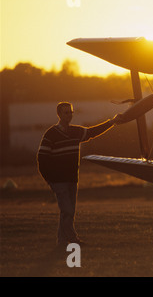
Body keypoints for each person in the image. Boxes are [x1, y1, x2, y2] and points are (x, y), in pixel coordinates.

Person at [37, 102, 123, 247]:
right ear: (59, 114)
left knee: (68, 212)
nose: (69, 115)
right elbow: (42, 158)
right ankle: (73, 238)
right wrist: (49, 180)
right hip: (58, 181)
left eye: (71, 112)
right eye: (66, 113)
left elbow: (92, 132)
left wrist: (112, 122)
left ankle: (62, 241)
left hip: (72, 179)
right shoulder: (51, 134)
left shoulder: (75, 132)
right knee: (67, 210)